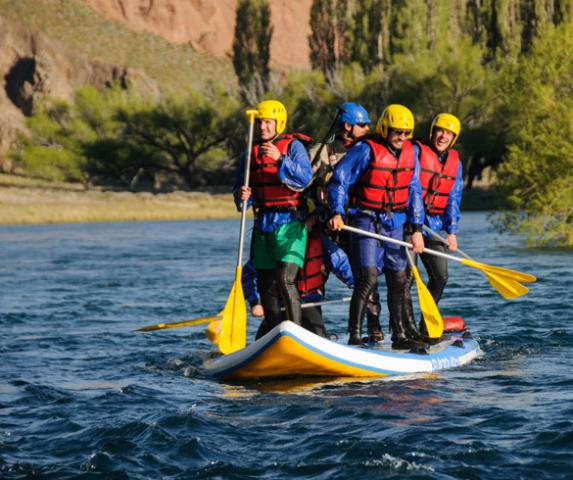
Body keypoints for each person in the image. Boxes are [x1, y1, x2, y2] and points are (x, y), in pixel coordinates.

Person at [327, 104, 426, 350]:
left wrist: (416, 229)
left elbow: (414, 190)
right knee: (368, 278)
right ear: (385, 129)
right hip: (366, 219)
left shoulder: (411, 153)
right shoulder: (365, 150)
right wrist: (337, 212)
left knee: (399, 278)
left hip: (396, 222)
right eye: (397, 132)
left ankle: (399, 335)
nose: (402, 137)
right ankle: (355, 335)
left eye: (406, 133)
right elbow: (340, 180)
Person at [234, 99, 313, 338]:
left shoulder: (294, 147)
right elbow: (240, 195)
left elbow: (305, 178)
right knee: (265, 284)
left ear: (279, 122)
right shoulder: (250, 154)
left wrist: (280, 159)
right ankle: (274, 335)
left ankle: (296, 334)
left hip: (291, 223)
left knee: (284, 278)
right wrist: (242, 196)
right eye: (260, 122)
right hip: (263, 224)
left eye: (268, 122)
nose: (262, 127)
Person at [404, 113, 464, 337]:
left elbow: (453, 198)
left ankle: (425, 325)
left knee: (440, 276)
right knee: (407, 279)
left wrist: (452, 231)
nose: (443, 136)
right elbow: (413, 188)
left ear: (454, 138)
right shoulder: (417, 152)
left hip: (434, 226)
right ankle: (405, 328)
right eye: (440, 131)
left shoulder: (455, 163)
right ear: (432, 131)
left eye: (449, 133)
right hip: (408, 224)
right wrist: (416, 227)